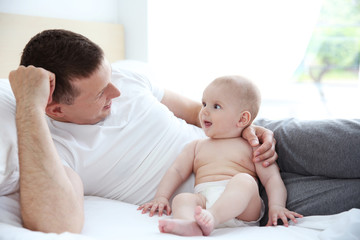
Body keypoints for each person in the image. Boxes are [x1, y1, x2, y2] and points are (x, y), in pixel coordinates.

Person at [7, 29, 277, 234]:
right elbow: (58, 224)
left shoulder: (127, 79)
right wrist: (30, 104)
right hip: (228, 200)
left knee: (315, 138)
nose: (117, 91)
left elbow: (198, 112)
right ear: (55, 110)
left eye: (110, 76)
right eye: (102, 92)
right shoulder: (60, 150)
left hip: (251, 147)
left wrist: (246, 128)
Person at [138, 76, 303, 236]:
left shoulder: (252, 146)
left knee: (244, 181)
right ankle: (190, 225)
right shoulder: (196, 146)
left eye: (216, 106)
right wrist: (161, 197)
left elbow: (272, 179)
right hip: (204, 203)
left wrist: (277, 206)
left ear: (242, 118)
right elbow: (177, 171)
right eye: (204, 104)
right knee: (182, 199)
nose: (204, 111)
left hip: (242, 210)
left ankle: (213, 218)